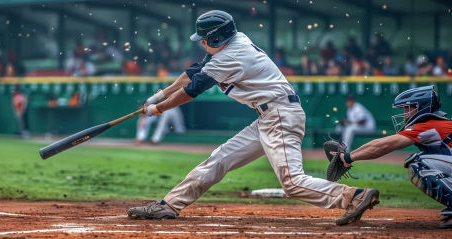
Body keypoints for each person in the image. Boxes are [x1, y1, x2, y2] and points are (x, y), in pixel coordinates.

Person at [127, 10, 379, 226]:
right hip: (269, 117)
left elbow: (193, 89)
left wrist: (157, 110)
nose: (202, 43)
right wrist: (159, 95)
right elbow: (193, 72)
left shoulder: (229, 57)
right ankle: (169, 204)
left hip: (280, 116)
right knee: (219, 160)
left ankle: (353, 196)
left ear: (216, 38)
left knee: (292, 182)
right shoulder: (233, 40)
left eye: (204, 39)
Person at [329, 85, 452, 228]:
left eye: (408, 108)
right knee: (425, 160)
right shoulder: (435, 124)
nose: (405, 113)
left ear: (421, 107)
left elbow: (383, 146)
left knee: (418, 164)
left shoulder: (427, 125)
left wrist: (348, 157)